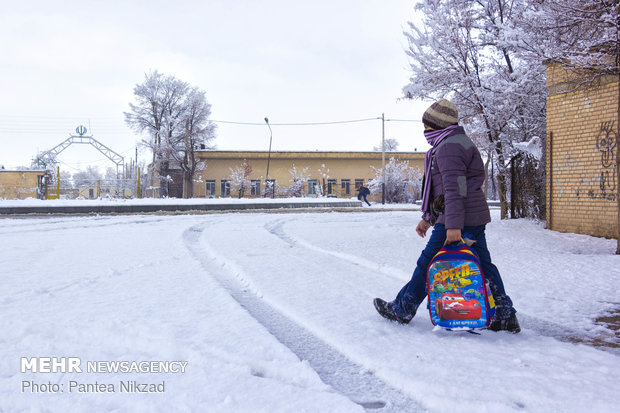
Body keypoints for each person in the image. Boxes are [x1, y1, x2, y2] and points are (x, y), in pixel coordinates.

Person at [373, 99, 520, 333]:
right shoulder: (455, 142)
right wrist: (428, 218)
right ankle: (504, 314)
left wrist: (452, 226)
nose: (425, 131)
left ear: (438, 124)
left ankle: (402, 309)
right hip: (467, 218)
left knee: (427, 264)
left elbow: (455, 190)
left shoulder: (449, 147)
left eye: (428, 125)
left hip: (458, 221)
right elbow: (445, 192)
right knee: (482, 264)